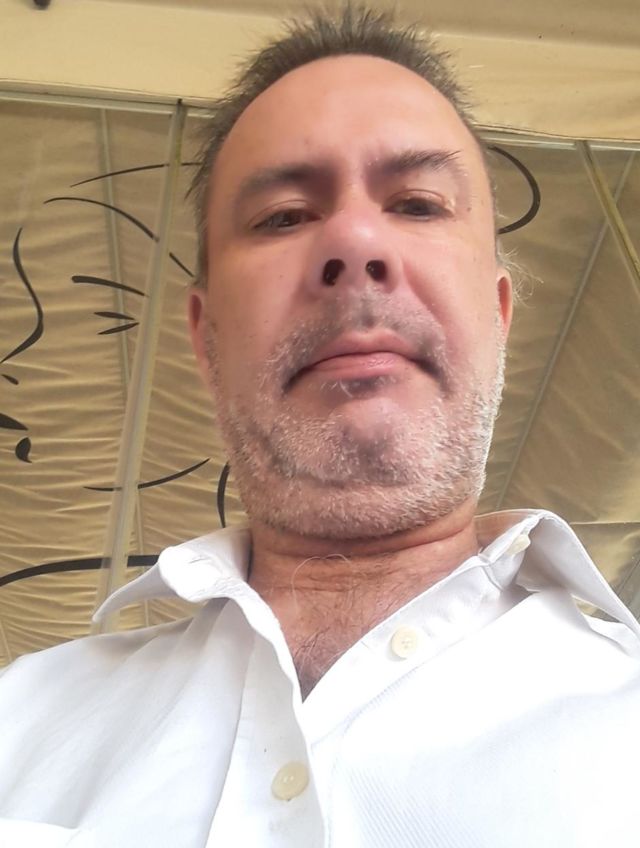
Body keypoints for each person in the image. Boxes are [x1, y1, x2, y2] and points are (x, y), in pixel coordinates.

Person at [1, 4, 639, 846]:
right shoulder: (19, 722)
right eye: (284, 216)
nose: (356, 242)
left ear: (498, 315)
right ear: (206, 338)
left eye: (418, 204)